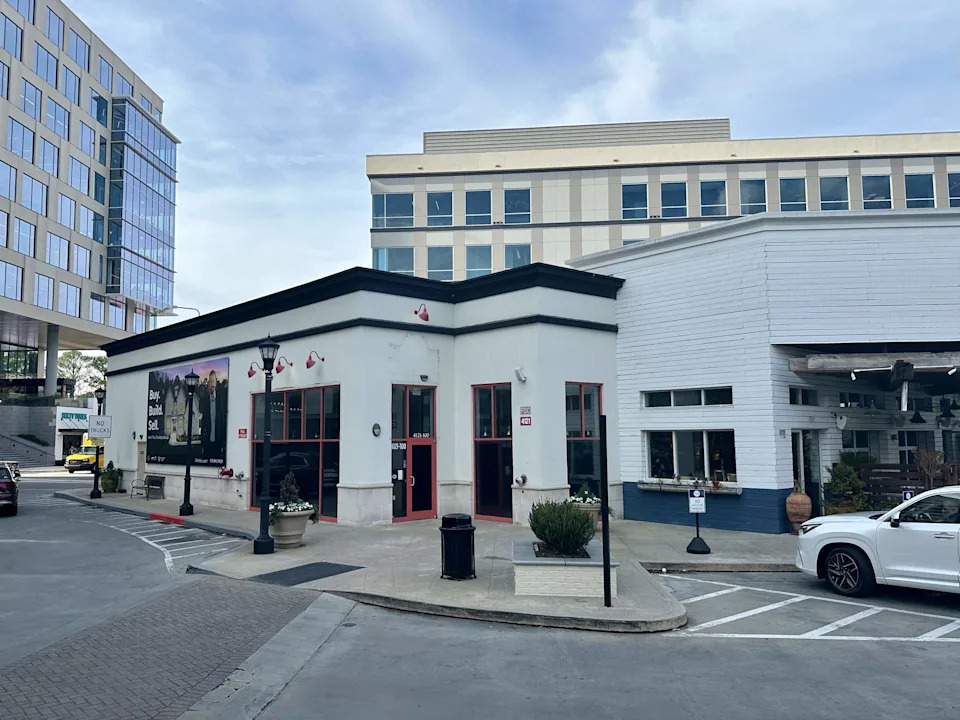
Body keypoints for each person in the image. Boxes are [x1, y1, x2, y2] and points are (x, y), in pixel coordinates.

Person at [199, 370, 228, 462]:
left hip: (218, 442)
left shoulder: (221, 400)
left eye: (213, 381)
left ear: (216, 383)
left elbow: (223, 420)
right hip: (207, 442)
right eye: (210, 381)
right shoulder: (204, 400)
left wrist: (223, 442)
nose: (212, 384)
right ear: (208, 384)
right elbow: (202, 421)